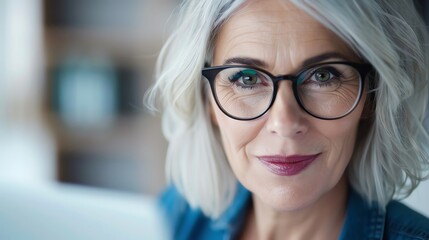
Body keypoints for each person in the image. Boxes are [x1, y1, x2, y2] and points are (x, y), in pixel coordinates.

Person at [145, 0, 429, 239]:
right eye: (247, 79)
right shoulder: (172, 218)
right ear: (208, 102)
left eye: (323, 76)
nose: (284, 123)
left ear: (371, 97)